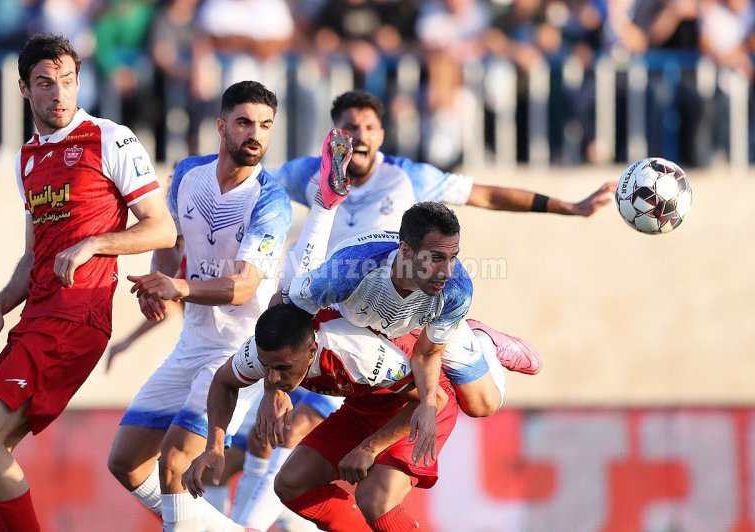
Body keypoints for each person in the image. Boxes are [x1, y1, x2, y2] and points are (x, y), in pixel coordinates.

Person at [234, 89, 607, 528]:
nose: (360, 137)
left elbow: (484, 195)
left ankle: (479, 339)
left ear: (382, 135)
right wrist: (188, 208)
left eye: (370, 128)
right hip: (346, 314)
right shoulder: (308, 175)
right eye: (350, 129)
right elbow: (248, 188)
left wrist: (567, 207)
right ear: (335, 134)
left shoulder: (409, 179)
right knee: (291, 450)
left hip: (418, 319)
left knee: (482, 404)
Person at [0, 33, 177, 532]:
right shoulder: (27, 159)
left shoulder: (110, 138)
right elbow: (35, 254)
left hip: (79, 315)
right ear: (23, 90)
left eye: (68, 81)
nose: (59, 94)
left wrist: (96, 243)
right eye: (46, 84)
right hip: (37, 316)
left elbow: (161, 227)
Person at [104, 80, 292, 531]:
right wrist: (155, 284)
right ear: (221, 126)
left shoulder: (271, 200)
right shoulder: (189, 174)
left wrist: (178, 287)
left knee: (175, 464)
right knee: (126, 463)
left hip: (240, 354)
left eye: (266, 125)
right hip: (191, 345)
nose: (256, 135)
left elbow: (245, 287)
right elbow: (170, 242)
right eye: (245, 123)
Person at [182, 303, 459, 532]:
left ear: (312, 351)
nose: (273, 377)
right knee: (291, 483)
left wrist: (369, 448)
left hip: (422, 404)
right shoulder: (266, 353)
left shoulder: (356, 351)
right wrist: (214, 447)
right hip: (366, 405)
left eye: (282, 368)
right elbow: (223, 381)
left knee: (375, 499)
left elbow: (431, 401)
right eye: (267, 368)